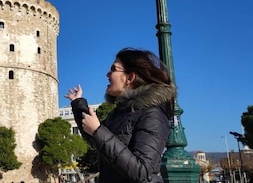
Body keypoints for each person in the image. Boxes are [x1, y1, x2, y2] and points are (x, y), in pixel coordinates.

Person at [65, 47, 175, 183]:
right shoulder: (118, 113)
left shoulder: (152, 115)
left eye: (113, 69)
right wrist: (78, 104)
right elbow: (94, 137)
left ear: (129, 77)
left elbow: (143, 172)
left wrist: (98, 131)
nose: (107, 74)